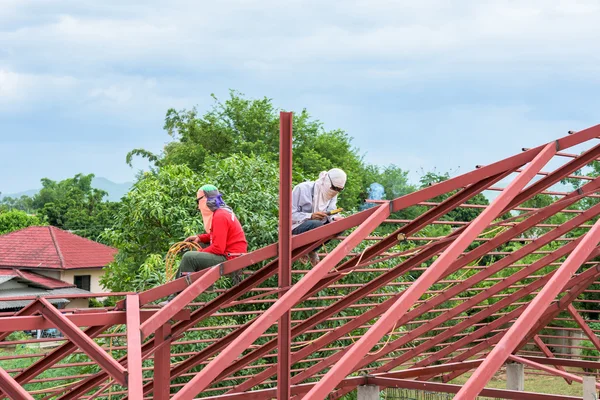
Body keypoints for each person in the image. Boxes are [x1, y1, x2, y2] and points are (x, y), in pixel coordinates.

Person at [160, 184, 247, 305]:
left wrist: (198, 253)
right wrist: (199, 238)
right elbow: (217, 235)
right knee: (195, 255)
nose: (198, 206)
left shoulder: (220, 216)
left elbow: (218, 248)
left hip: (230, 258)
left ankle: (176, 299)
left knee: (189, 257)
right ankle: (178, 294)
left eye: (198, 201)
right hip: (233, 255)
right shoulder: (224, 212)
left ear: (205, 199)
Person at [291, 168, 346, 266]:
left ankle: (312, 249)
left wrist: (335, 218)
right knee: (316, 224)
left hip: (318, 227)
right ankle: (301, 249)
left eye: (339, 190)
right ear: (327, 181)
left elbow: (332, 211)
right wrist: (310, 216)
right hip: (296, 227)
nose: (336, 192)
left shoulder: (333, 195)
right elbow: (289, 215)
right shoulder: (302, 189)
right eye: (334, 188)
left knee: (341, 226)